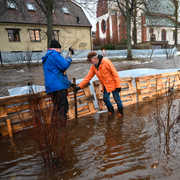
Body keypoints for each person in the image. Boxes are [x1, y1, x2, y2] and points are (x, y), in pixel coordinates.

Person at [75, 51, 124, 116]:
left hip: (113, 84)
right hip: (105, 85)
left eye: (90, 60)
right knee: (105, 98)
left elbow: (115, 74)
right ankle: (111, 111)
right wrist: (79, 86)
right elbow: (88, 77)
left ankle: (121, 112)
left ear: (95, 58)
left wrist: (118, 85)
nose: (90, 62)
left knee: (117, 98)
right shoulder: (93, 67)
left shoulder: (106, 62)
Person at [42, 39, 73, 126]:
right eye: (60, 50)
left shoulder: (47, 56)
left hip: (51, 87)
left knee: (56, 107)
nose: (60, 52)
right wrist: (69, 58)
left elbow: (56, 72)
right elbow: (65, 65)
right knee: (63, 107)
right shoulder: (55, 54)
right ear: (57, 48)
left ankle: (54, 127)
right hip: (58, 86)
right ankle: (61, 128)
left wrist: (68, 82)